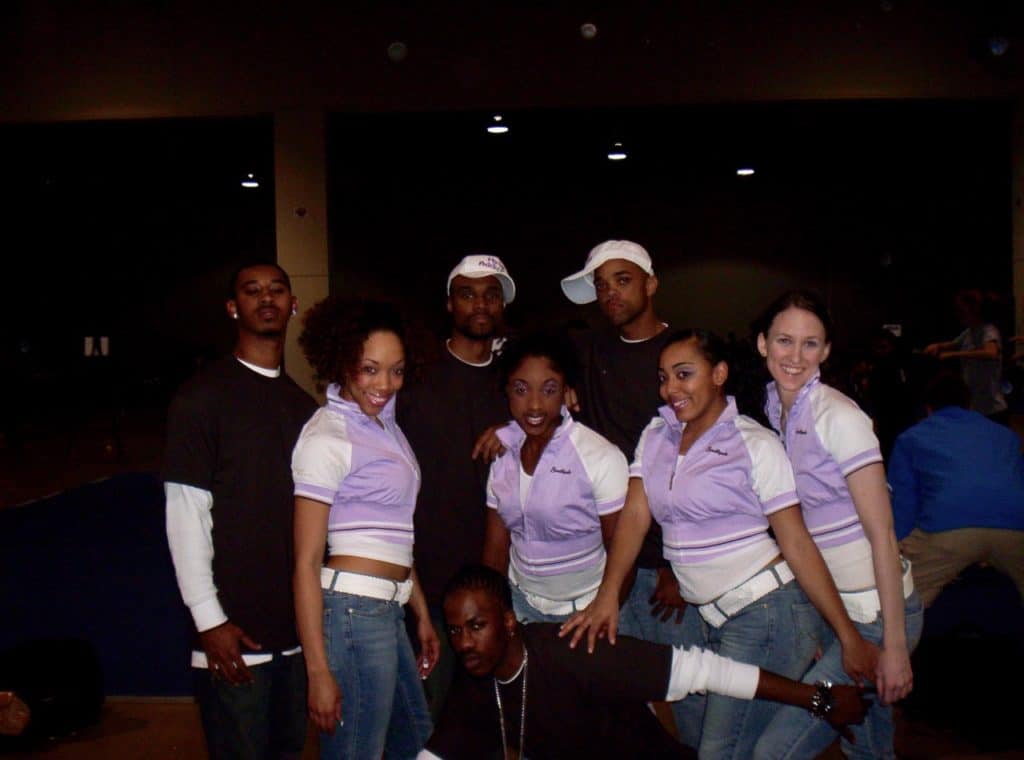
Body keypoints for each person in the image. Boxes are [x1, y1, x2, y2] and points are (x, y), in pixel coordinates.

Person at [562, 328, 875, 760]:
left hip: (768, 614)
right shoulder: (657, 436)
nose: (671, 388)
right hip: (712, 619)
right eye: (663, 377)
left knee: (719, 751)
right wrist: (608, 596)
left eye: (684, 374)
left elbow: (797, 542)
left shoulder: (752, 442)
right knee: (726, 745)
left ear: (719, 374)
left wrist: (845, 633)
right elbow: (635, 518)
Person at [420, 565, 869, 760]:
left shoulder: (570, 651)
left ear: (509, 620)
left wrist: (816, 698)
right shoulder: (475, 677)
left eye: (476, 626)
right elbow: (439, 751)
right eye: (456, 630)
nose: (463, 643)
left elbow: (704, 671)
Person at [753, 290, 923, 760]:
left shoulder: (839, 417)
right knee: (866, 746)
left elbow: (883, 536)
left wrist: (894, 646)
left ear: (826, 352)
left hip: (875, 616)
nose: (796, 356)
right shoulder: (777, 408)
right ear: (762, 344)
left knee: (774, 751)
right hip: (838, 611)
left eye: (811, 344)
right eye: (785, 340)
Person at [164, 262, 317, 760]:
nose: (266, 298)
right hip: (233, 637)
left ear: (294, 304)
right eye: (252, 291)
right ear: (234, 308)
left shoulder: (303, 408)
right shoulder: (200, 399)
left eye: (277, 290)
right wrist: (209, 620)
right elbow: (185, 515)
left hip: (293, 639)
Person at [559, 239, 706, 745]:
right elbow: (527, 378)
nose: (610, 294)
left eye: (622, 280)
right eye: (601, 285)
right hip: (611, 563)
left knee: (690, 696)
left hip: (670, 569)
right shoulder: (589, 352)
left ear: (650, 283)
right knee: (625, 703)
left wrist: (670, 561)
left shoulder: (683, 358)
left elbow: (696, 463)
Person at [291, 298, 436, 759]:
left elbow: (394, 538)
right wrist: (318, 671)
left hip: (385, 610)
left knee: (415, 743)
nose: (385, 384)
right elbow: (305, 562)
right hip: (352, 612)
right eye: (370, 369)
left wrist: (421, 612)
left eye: (396, 370)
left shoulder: (386, 428)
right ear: (343, 362)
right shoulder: (327, 436)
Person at [397, 254, 516, 718]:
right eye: (468, 294)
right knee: (433, 712)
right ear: (450, 304)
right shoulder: (416, 376)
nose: (480, 304)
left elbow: (553, 415)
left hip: (501, 572)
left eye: (491, 294)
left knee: (492, 712)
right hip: (428, 574)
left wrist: (515, 425)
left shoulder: (516, 380)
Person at [481, 332, 628, 623]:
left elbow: (622, 554)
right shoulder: (503, 456)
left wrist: (599, 611)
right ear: (507, 391)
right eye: (521, 389)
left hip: (587, 609)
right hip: (521, 606)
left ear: (566, 391)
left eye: (549, 390)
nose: (534, 405)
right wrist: (497, 611)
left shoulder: (599, 456)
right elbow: (496, 550)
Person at [888, 370, 1024, 607]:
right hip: (1014, 527)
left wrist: (897, 547)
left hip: (947, 530)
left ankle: (891, 642)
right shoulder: (1007, 436)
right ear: (969, 404)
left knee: (902, 604)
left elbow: (903, 503)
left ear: (928, 409)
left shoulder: (911, 438)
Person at [923, 288, 1008, 423]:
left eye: (962, 310)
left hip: (992, 408)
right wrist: (937, 346)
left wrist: (954, 354)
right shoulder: (969, 332)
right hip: (976, 407)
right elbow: (952, 343)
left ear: (973, 309)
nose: (959, 313)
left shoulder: (988, 330)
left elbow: (991, 353)